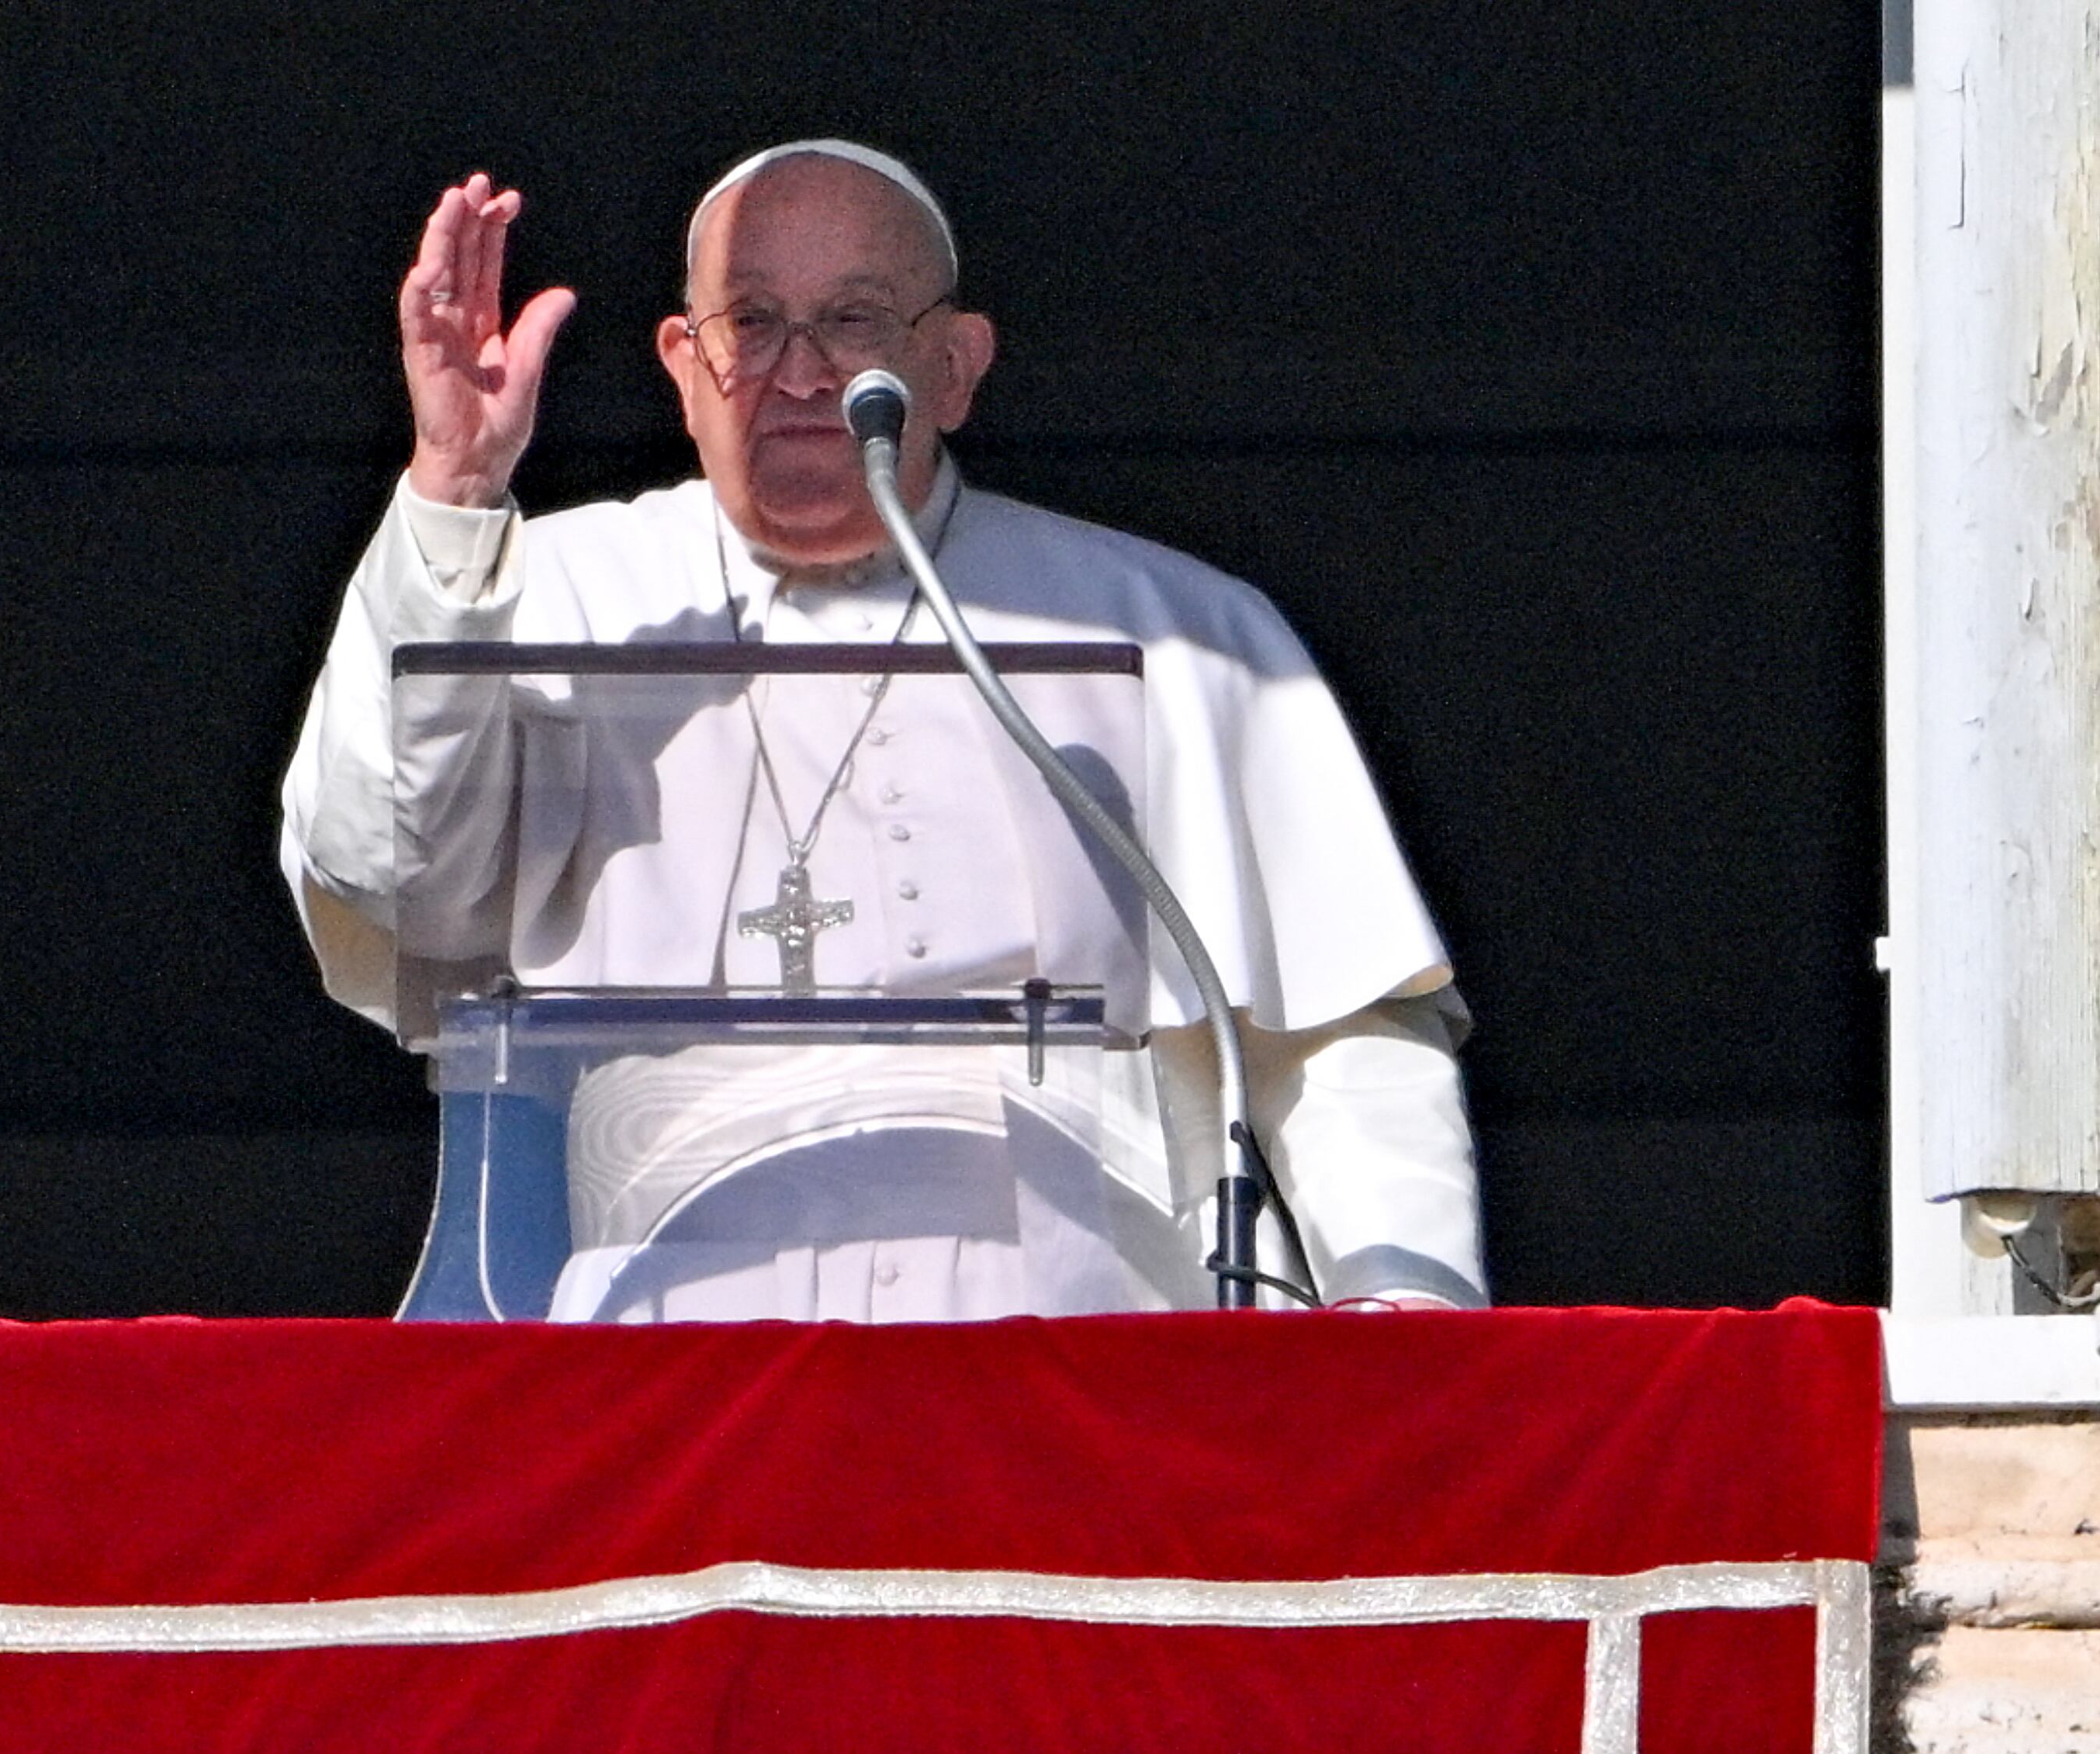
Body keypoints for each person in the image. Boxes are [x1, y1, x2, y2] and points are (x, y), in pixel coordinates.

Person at [282, 140, 1486, 1321]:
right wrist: (454, 487)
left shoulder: (1172, 628)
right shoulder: (542, 595)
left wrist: (1408, 1317)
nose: (801, 372)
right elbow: (392, 880)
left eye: (854, 321)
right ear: (684, 366)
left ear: (955, 366)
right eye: (752, 323)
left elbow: (1339, 1032)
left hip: (1085, 1337)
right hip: (670, 1348)